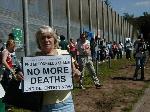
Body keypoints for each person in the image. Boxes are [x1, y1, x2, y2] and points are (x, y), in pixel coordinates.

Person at [34, 25, 80, 112]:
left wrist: (77, 74)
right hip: (42, 107)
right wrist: (20, 77)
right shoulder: (33, 59)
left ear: (54, 39)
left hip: (65, 105)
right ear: (38, 41)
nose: (46, 40)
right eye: (43, 38)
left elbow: (76, 78)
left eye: (49, 37)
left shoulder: (64, 55)